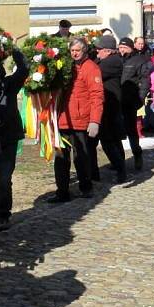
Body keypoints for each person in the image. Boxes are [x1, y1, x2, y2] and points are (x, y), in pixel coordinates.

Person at [51, 37, 104, 203]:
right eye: (72, 50)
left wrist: (95, 120)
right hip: (62, 119)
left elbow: (97, 95)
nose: (74, 53)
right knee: (61, 158)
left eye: (77, 50)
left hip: (80, 120)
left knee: (81, 156)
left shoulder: (91, 68)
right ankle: (62, 191)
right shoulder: (66, 67)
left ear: (84, 51)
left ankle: (86, 187)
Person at [0, 49, 29, 229]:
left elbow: (23, 70)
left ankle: (3, 214)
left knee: (5, 179)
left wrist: (14, 51)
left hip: (8, 138)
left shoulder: (10, 84)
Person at [92, 36, 127, 183]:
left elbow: (94, 73)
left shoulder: (112, 62)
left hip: (109, 106)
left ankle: (121, 170)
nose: (97, 52)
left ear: (107, 51)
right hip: (110, 104)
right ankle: (119, 166)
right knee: (114, 139)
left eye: (99, 50)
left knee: (107, 140)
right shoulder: (108, 60)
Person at [118, 37, 151, 169]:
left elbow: (145, 82)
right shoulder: (117, 60)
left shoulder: (139, 60)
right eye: (120, 47)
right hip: (117, 100)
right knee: (117, 131)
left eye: (124, 48)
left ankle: (137, 155)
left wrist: (141, 98)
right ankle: (119, 160)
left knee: (131, 130)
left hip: (131, 100)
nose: (122, 50)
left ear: (131, 48)